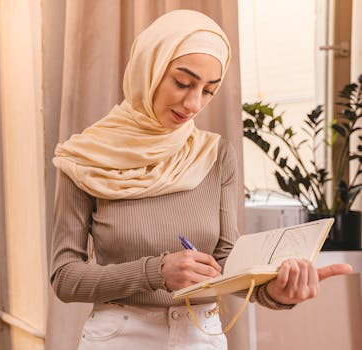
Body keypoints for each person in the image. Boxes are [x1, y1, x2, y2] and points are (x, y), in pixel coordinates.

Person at [50, 9, 352, 350]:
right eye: (182, 82)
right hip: (119, 337)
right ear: (149, 68)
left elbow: (223, 264)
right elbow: (65, 277)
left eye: (209, 90)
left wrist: (273, 292)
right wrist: (155, 272)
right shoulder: (86, 158)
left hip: (201, 337)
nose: (194, 103)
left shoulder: (216, 154)